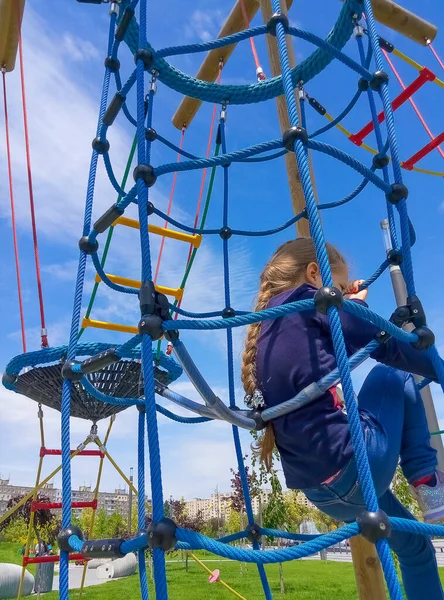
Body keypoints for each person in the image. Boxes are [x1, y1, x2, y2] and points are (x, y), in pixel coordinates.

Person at [241, 237, 444, 600]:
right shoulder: (315, 303)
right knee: (390, 376)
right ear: (314, 273)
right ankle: (427, 481)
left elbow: (320, 352)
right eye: (335, 284)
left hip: (325, 495)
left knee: (415, 548)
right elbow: (390, 348)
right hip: (353, 467)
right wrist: (438, 368)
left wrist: (349, 306)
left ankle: (427, 489)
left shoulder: (267, 328)